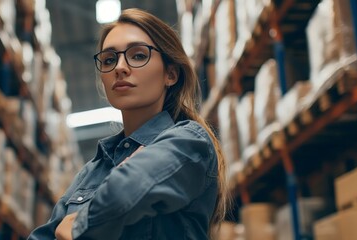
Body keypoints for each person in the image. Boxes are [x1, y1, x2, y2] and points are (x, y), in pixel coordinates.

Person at [28, 8, 228, 240]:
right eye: (110, 59)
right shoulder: (91, 170)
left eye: (138, 55)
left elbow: (123, 195)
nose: (120, 67)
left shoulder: (189, 142)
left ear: (170, 74)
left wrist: (77, 224)